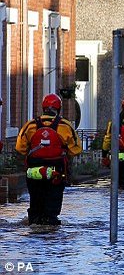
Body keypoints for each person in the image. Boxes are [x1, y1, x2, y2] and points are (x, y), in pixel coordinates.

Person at [15, 94, 82, 225]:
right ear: (59, 108)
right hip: (57, 171)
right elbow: (76, 149)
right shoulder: (65, 126)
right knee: (53, 203)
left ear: (43, 107)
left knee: (35, 202)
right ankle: (50, 230)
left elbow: (20, 148)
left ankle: (35, 225)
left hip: (35, 171)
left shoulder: (30, 125)